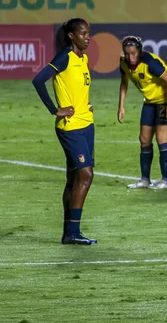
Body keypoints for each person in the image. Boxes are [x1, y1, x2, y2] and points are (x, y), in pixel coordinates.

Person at [32, 17, 96, 245]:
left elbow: (76, 89)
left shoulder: (83, 58)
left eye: (89, 33)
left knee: (73, 178)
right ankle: (73, 232)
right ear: (71, 36)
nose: (88, 37)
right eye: (83, 33)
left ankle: (68, 233)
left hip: (87, 124)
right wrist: (54, 109)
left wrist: (85, 104)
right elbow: (38, 80)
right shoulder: (64, 57)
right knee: (86, 175)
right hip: (71, 128)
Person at [118, 36, 167, 190]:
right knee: (144, 139)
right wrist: (121, 106)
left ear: (139, 51)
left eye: (134, 53)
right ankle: (145, 180)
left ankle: (166, 181)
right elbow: (124, 83)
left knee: (161, 137)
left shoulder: (150, 62)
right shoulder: (123, 63)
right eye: (128, 54)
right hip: (150, 100)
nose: (131, 57)